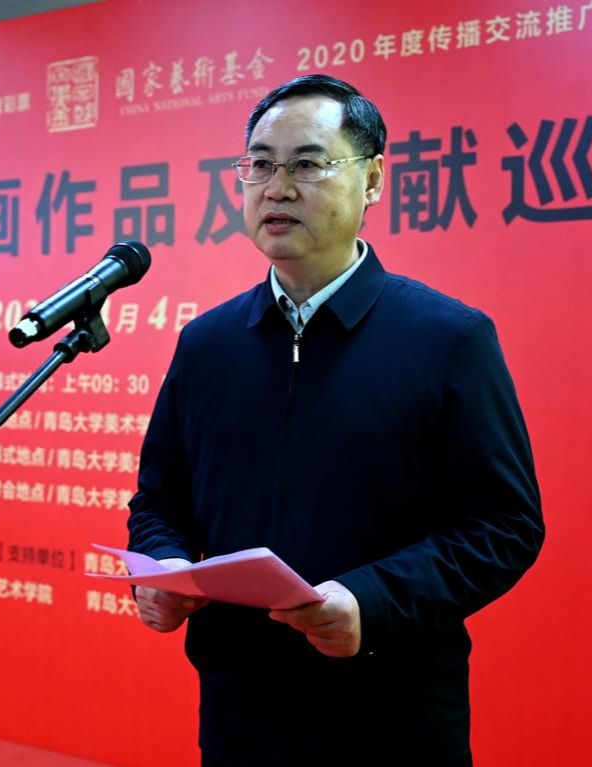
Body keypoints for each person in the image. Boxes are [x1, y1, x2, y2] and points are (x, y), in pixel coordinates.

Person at [126, 74, 543, 766]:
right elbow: (160, 499)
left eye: (308, 164)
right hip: (239, 714)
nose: (277, 188)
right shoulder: (207, 344)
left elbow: (504, 525)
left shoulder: (448, 337)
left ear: (373, 179)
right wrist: (164, 565)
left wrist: (369, 600)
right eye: (261, 165)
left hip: (394, 719)